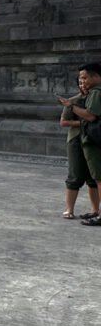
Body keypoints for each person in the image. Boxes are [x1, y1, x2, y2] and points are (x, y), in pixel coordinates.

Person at [60, 63, 101, 226]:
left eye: (84, 78)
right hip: (79, 140)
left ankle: (97, 211)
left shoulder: (95, 93)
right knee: (76, 175)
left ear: (95, 77)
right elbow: (63, 122)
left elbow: (91, 117)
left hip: (92, 139)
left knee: (96, 177)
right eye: (80, 80)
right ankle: (71, 209)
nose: (82, 82)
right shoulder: (77, 99)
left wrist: (75, 111)